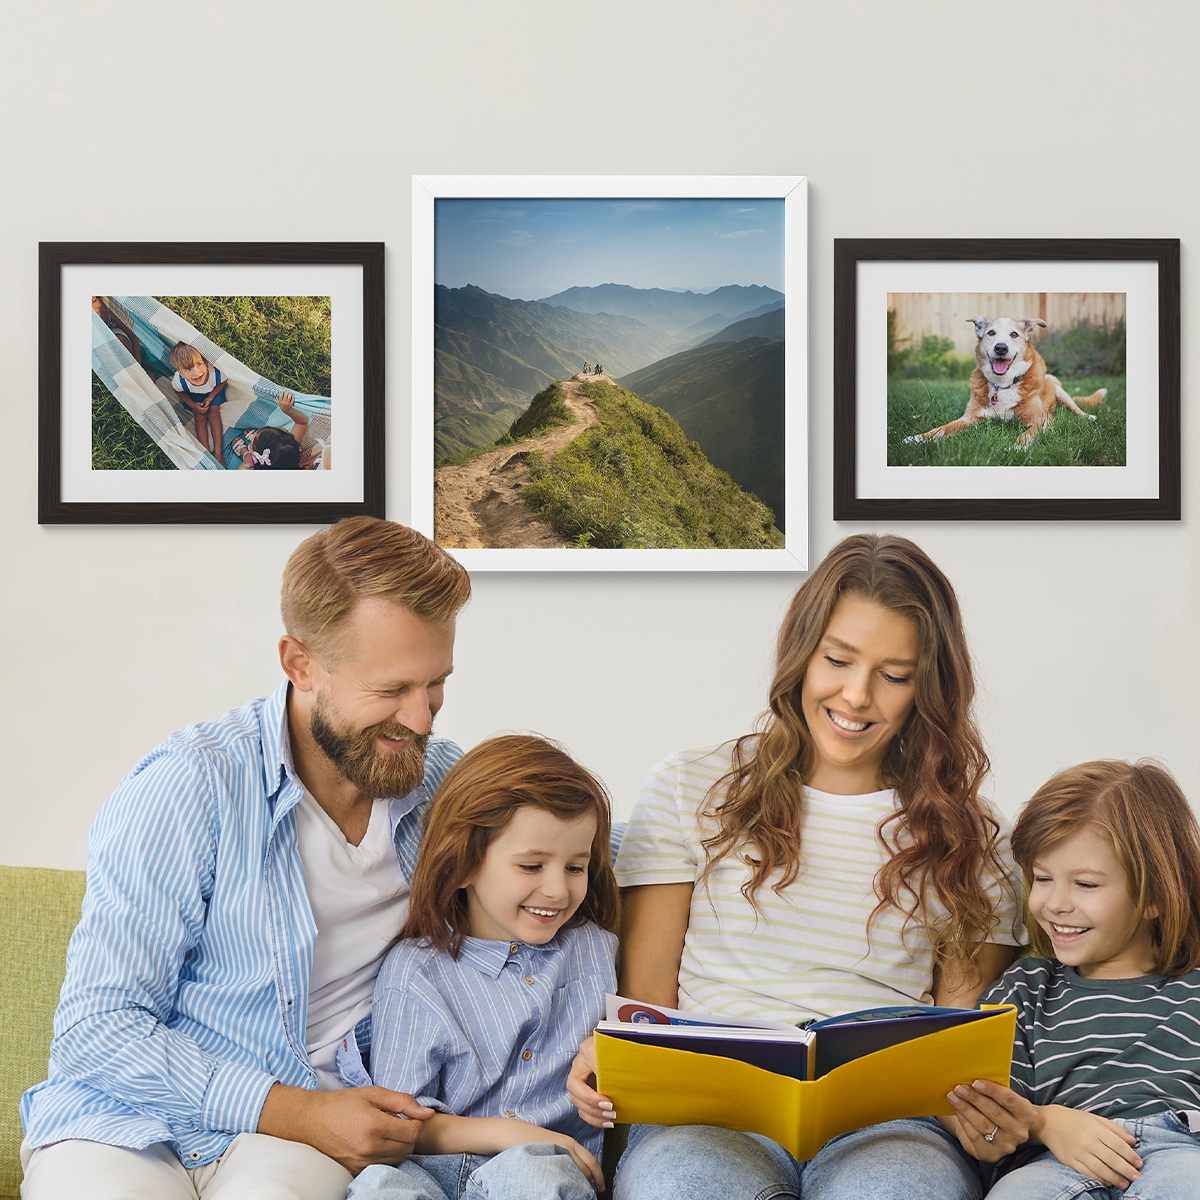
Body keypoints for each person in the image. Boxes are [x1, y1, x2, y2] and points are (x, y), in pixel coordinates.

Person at [20, 518, 473, 1200]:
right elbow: (98, 1029)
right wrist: (302, 1111)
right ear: (301, 664)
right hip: (122, 1123)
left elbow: (589, 863)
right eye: (389, 691)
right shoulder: (191, 783)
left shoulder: (446, 788)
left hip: (291, 1148)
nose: (422, 719)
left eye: (435, 683)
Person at [568, 533, 1026, 1200]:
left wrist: (982, 1114)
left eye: (895, 676)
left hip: (887, 1129)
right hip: (706, 1117)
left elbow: (954, 1050)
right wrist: (613, 1057)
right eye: (837, 660)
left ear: (930, 687)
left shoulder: (975, 838)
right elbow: (647, 1006)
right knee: (684, 1187)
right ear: (801, 653)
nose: (857, 695)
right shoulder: (690, 786)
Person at [348, 735, 620, 1200]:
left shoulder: (594, 952)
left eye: (577, 867)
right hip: (431, 1170)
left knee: (536, 1179)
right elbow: (401, 1122)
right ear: (464, 863)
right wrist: (512, 1133)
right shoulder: (417, 971)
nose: (558, 890)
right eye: (532, 866)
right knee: (380, 1188)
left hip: (541, 1175)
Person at [945, 760, 1200, 1198]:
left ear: (1156, 896)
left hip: (1179, 1150)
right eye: (1042, 878)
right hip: (1050, 1157)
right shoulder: (1024, 989)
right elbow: (987, 1110)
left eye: (1084, 884)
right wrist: (1046, 1122)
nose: (1055, 904)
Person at [169, 341, 230, 467]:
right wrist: (192, 405)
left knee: (214, 413)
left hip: (213, 392)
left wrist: (211, 397)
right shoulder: (179, 381)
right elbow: (178, 392)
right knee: (199, 416)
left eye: (199, 364)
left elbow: (221, 383)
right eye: (188, 369)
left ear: (206, 362)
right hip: (194, 396)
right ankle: (206, 454)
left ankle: (218, 453)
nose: (196, 373)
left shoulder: (216, 374)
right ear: (180, 373)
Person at [233, 389, 322, 470]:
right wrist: (288, 410)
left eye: (252, 442)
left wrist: (247, 455)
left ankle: (246, 455)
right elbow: (302, 422)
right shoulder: (290, 451)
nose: (251, 436)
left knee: (244, 468)